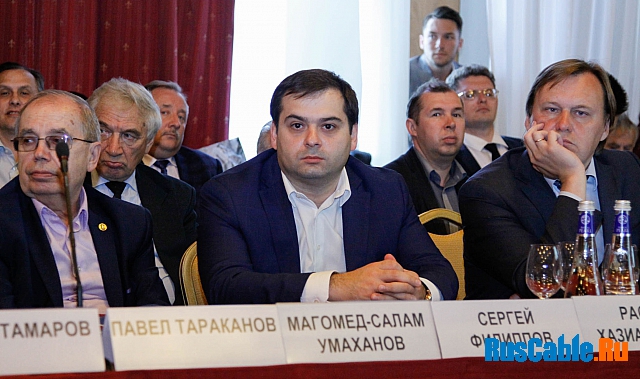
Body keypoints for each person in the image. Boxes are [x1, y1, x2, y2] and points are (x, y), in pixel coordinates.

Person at [198, 69, 457, 304]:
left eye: (328, 126)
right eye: (297, 126)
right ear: (275, 135)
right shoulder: (230, 194)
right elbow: (226, 287)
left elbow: (439, 272)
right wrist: (337, 286)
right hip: (271, 338)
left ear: (353, 136)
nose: (312, 140)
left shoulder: (386, 190)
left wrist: (418, 292)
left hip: (364, 337)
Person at [460, 59, 640, 299]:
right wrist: (573, 179)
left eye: (581, 113)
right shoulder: (486, 191)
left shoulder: (628, 170)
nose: (563, 125)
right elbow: (543, 285)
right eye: (551, 110)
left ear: (605, 128)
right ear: (529, 121)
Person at [0, 90, 168, 310]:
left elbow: (153, 308)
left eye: (57, 141)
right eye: (28, 140)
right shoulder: (5, 220)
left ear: (92, 156)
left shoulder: (130, 222)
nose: (39, 153)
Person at [88, 78, 197, 305]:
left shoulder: (177, 197)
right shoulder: (64, 191)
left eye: (129, 135)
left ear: (148, 144)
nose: (114, 149)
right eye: (104, 131)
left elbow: (193, 277)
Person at [385, 79, 466, 234]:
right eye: (437, 114)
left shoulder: (474, 178)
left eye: (456, 114)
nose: (451, 123)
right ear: (412, 127)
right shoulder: (391, 182)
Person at [143, 80, 222, 197]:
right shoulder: (123, 165)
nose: (176, 123)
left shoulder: (207, 167)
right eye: (164, 112)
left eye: (181, 117)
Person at [446, 65, 523, 177]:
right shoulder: (449, 157)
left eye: (489, 93)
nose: (482, 99)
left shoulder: (522, 148)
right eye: (470, 94)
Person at [0, 62, 44, 187]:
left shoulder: (55, 151)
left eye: (24, 93)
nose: (15, 100)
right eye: (4, 93)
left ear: (39, 101)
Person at [409, 6, 463, 96]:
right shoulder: (404, 74)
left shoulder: (466, 79)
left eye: (448, 37)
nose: (440, 45)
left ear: (459, 44)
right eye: (432, 36)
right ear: (421, 41)